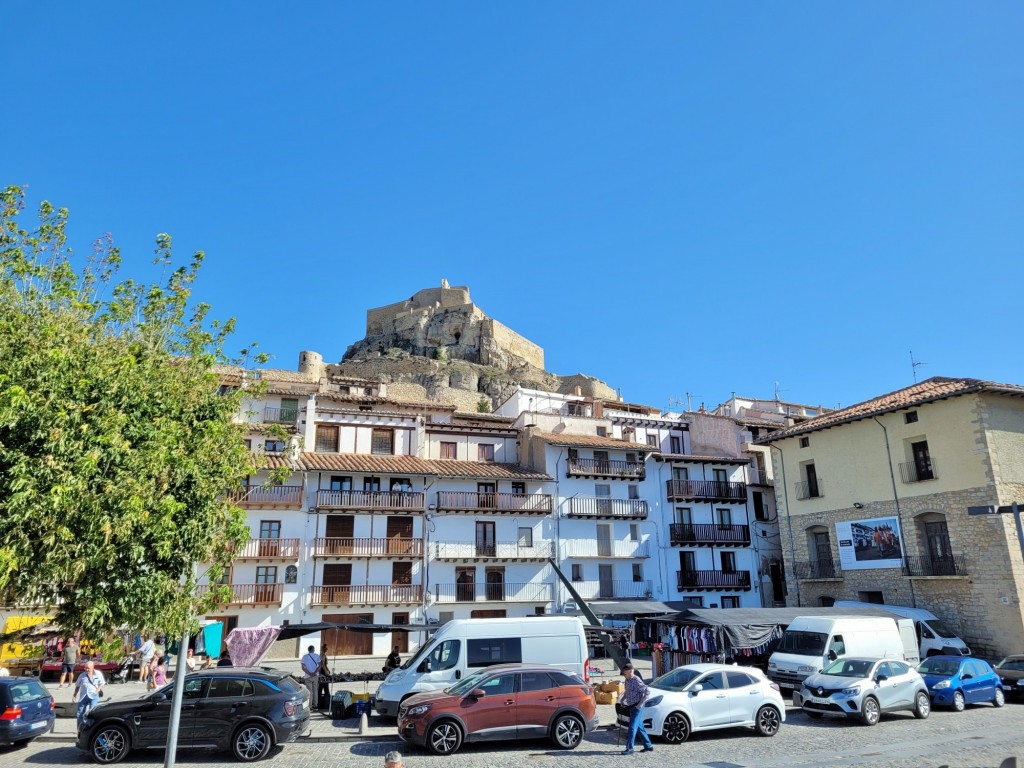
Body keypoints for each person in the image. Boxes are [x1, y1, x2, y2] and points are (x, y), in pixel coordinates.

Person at [619, 663, 653, 755]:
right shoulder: (627, 680)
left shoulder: (636, 680)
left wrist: (640, 704)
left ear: (630, 671)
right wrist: (623, 699)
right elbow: (627, 691)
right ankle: (648, 745)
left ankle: (630, 748)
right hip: (631, 706)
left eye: (624, 673)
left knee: (632, 727)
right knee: (639, 727)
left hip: (637, 707)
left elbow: (647, 691)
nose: (623, 674)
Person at [73, 660, 105, 727]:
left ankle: (90, 728)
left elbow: (102, 683)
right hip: (83, 696)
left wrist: (98, 690)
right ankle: (80, 728)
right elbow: (77, 685)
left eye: (88, 668)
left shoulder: (98, 674)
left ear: (93, 667)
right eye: (85, 668)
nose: (86, 669)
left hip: (94, 696)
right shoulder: (82, 675)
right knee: (80, 713)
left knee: (92, 713)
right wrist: (74, 695)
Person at [300, 644, 321, 709]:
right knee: (315, 690)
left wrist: (309, 673)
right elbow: (320, 666)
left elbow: (303, 668)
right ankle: (315, 704)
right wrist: (314, 672)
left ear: (308, 650)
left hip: (307, 676)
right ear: (313, 649)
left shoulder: (304, 657)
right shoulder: (317, 656)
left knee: (309, 691)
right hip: (315, 676)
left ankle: (310, 706)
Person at [317, 644, 331, 709]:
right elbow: (322, 664)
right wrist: (326, 672)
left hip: (323, 673)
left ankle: (321, 704)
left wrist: (328, 670)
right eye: (326, 648)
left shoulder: (323, 655)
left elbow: (325, 665)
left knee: (321, 689)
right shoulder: (322, 655)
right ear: (323, 648)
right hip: (322, 674)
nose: (327, 649)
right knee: (323, 690)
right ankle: (324, 705)